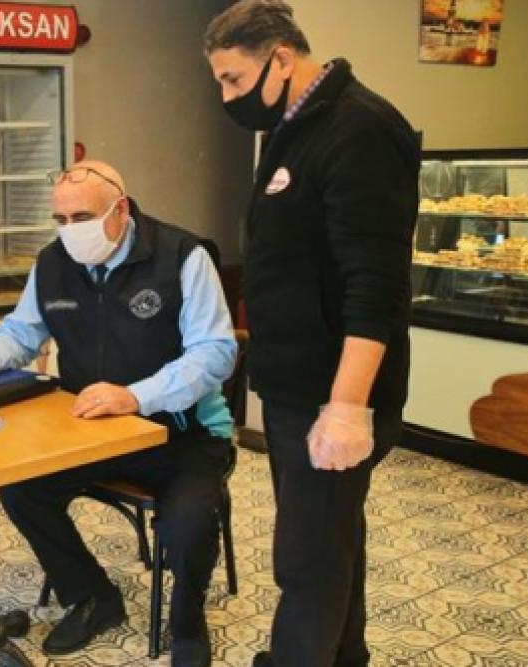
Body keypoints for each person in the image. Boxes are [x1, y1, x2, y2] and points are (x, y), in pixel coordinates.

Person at [203, 2, 419, 665]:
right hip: (297, 388)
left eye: (234, 79)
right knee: (331, 542)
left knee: (307, 561)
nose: (227, 97)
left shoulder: (360, 129)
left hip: (334, 394)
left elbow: (375, 286)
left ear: (282, 59)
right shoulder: (294, 127)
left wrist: (347, 406)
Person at [0, 160, 237, 667]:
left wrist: (137, 397)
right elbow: (23, 331)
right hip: (89, 431)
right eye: (60, 220)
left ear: (120, 209)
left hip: (180, 433)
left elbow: (215, 353)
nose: (70, 231)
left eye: (81, 218)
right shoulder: (53, 262)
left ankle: (188, 620)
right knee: (21, 490)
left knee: (188, 523)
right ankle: (93, 596)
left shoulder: (182, 256)